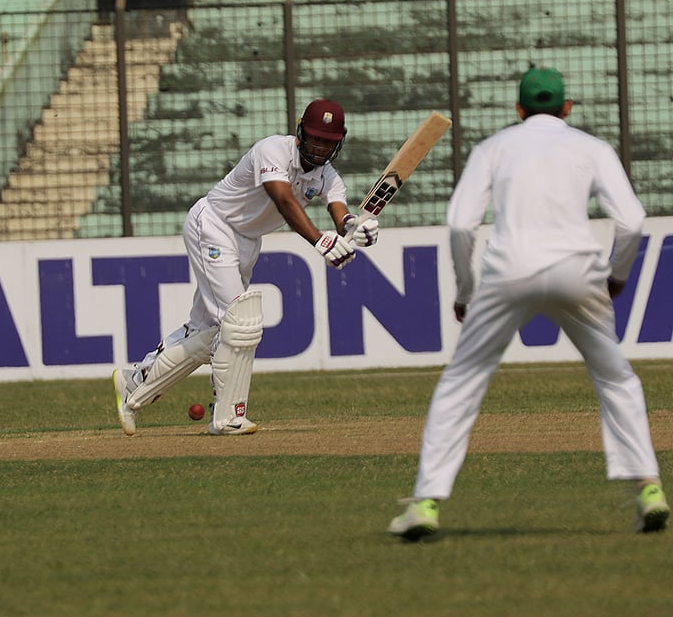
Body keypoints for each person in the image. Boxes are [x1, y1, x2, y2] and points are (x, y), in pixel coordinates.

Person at [388, 68, 669, 539]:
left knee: (462, 381)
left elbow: (460, 224)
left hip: (508, 269)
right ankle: (649, 489)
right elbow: (632, 220)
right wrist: (616, 277)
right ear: (567, 108)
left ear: (518, 110)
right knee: (616, 376)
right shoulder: (592, 148)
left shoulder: (494, 148)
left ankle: (426, 504)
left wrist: (465, 291)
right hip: (577, 271)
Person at [113, 99, 379, 436]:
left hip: (247, 242)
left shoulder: (329, 178)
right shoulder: (272, 150)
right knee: (239, 322)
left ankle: (134, 382)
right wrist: (319, 241)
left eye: (328, 141)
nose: (320, 147)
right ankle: (227, 416)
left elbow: (340, 213)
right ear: (300, 133)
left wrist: (356, 227)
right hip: (213, 224)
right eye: (315, 138)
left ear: (338, 143)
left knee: (208, 329)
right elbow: (282, 199)